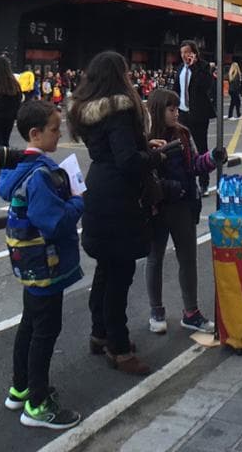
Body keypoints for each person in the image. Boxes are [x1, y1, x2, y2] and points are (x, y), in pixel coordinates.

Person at [69, 50, 165, 376]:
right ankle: (119, 347)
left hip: (98, 188)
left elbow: (113, 152)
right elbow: (127, 161)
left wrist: (140, 151)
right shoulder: (120, 110)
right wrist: (155, 157)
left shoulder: (89, 112)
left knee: (106, 270)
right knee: (119, 275)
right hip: (119, 199)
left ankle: (100, 333)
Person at [0, 99, 83, 430]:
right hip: (46, 262)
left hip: (27, 262)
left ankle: (20, 387)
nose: (58, 134)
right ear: (35, 133)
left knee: (30, 324)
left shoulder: (17, 168)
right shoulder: (42, 175)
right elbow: (54, 222)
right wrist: (77, 202)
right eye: (54, 129)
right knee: (45, 331)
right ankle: (37, 404)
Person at [144, 89, 224, 335]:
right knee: (155, 258)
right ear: (159, 110)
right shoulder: (145, 138)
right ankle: (156, 309)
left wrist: (212, 158)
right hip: (157, 207)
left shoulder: (184, 133)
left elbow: (194, 164)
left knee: (187, 258)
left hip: (183, 205)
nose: (176, 113)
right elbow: (144, 174)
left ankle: (191, 312)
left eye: (177, 108)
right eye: (171, 109)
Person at [173, 41, 216, 193]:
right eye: (182, 52)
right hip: (183, 113)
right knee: (182, 146)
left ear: (194, 53)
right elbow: (176, 90)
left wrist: (193, 66)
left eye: (187, 52)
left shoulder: (203, 67)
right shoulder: (179, 69)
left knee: (201, 146)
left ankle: (204, 182)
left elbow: (205, 85)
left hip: (198, 114)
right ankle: (185, 179)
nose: (184, 55)